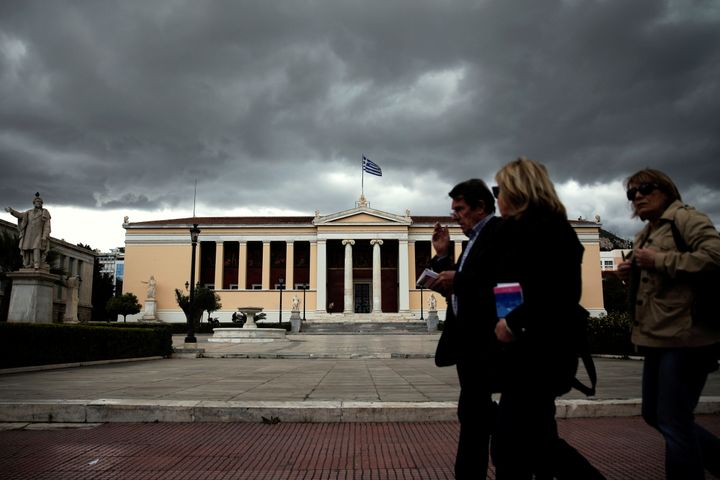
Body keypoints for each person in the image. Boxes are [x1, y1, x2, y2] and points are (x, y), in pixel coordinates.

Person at [490, 157, 604, 479]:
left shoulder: (548, 230)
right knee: (528, 441)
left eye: (499, 189)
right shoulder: (528, 229)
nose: (496, 197)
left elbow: (558, 292)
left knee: (520, 444)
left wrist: (513, 322)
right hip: (528, 352)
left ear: (518, 190)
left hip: (540, 352)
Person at [617, 168, 720, 479]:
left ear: (666, 189)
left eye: (645, 188)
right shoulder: (646, 232)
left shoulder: (686, 219)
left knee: (674, 420)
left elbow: (715, 256)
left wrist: (658, 261)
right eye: (631, 193)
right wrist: (630, 270)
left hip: (688, 336)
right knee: (654, 414)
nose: (638, 196)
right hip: (657, 336)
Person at [426, 178, 502, 479]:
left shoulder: (495, 235)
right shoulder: (473, 241)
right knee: (473, 415)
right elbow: (469, 280)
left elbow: (498, 280)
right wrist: (444, 257)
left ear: (480, 207)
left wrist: (458, 280)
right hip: (470, 344)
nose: (454, 215)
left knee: (478, 417)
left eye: (459, 209)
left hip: (484, 342)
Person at [5, 193, 52, 270]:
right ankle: (28, 263)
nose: (39, 203)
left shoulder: (45, 212)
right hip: (28, 234)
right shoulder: (28, 212)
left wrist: (44, 236)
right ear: (34, 203)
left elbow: (47, 226)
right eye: (37, 202)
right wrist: (12, 211)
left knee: (36, 248)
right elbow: (20, 215)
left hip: (38, 234)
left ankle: (37, 264)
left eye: (40, 202)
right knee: (27, 249)